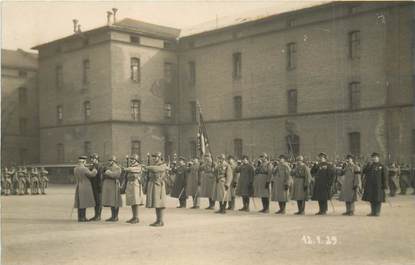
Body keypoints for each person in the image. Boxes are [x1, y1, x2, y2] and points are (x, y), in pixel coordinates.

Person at [146, 152, 169, 227]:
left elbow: (156, 169)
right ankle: (158, 220)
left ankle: (160, 221)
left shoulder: (162, 165)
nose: (154, 158)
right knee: (156, 203)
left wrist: (148, 167)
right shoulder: (154, 165)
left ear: (159, 158)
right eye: (153, 157)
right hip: (155, 185)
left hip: (159, 186)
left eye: (155, 157)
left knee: (160, 203)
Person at [362, 152, 387, 216]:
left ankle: (377, 212)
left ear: (378, 158)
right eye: (373, 157)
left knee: (378, 199)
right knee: (371, 199)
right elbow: (364, 171)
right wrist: (367, 165)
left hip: (379, 186)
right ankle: (373, 212)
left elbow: (385, 176)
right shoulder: (370, 165)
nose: (375, 158)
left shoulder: (382, 166)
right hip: (370, 186)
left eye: (376, 157)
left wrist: (385, 185)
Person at [74, 156, 98, 222]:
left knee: (80, 203)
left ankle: (80, 217)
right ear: (84, 161)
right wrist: (94, 169)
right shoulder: (84, 169)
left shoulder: (75, 168)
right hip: (85, 186)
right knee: (84, 203)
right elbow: (92, 175)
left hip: (79, 185)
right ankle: (83, 218)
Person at [124, 154, 145, 224]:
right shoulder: (131, 166)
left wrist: (125, 169)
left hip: (136, 184)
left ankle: (136, 217)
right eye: (131, 159)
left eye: (132, 159)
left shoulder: (138, 166)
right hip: (130, 184)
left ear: (136, 160)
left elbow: (131, 170)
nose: (131, 160)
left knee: (136, 201)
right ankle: (133, 217)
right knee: (132, 201)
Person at [101, 156, 123, 222]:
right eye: (109, 161)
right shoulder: (108, 168)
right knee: (111, 201)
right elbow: (103, 175)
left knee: (115, 201)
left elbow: (116, 175)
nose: (109, 162)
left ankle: (115, 217)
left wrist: (108, 172)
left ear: (114, 161)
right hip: (109, 187)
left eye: (110, 161)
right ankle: (112, 216)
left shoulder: (118, 168)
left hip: (115, 186)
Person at [87, 153, 104, 221]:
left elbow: (100, 177)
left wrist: (100, 186)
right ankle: (96, 215)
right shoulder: (94, 166)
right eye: (91, 158)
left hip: (98, 186)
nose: (91, 160)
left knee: (98, 202)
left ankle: (98, 216)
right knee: (96, 201)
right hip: (94, 186)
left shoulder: (98, 166)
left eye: (93, 158)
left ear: (97, 159)